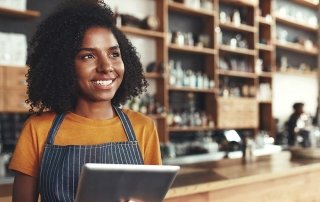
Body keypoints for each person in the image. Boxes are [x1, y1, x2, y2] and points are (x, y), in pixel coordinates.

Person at [9, 1, 162, 201]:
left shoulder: (144, 128)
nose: (106, 66)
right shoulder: (38, 129)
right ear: (64, 65)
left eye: (114, 54)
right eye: (88, 56)